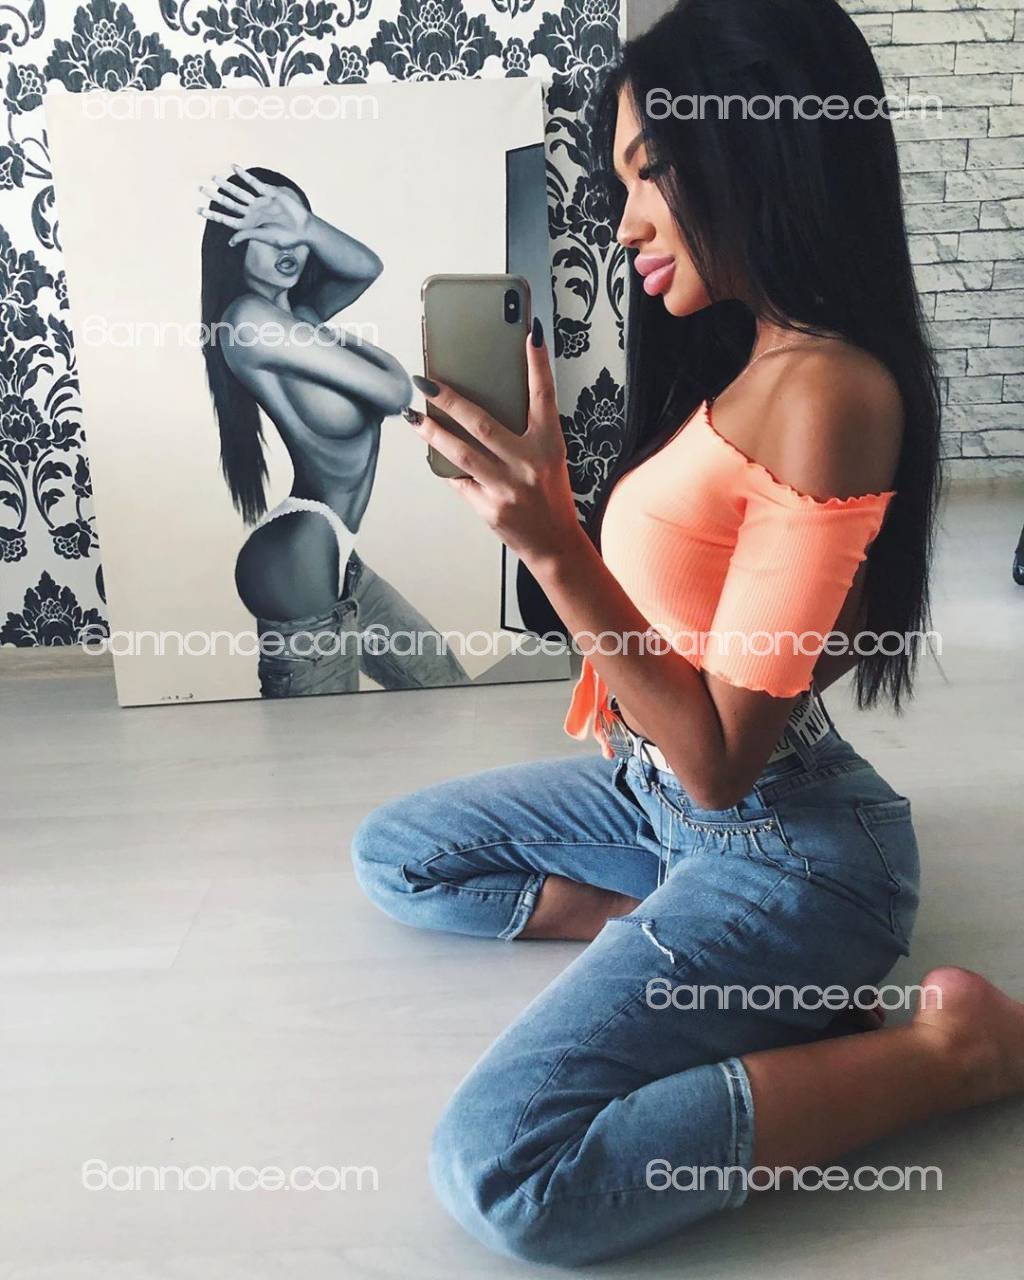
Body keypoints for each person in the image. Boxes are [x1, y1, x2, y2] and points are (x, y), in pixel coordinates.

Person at [351, 0, 1024, 1266]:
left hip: (784, 845)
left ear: (761, 145)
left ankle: (955, 1052)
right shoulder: (752, 361)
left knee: (509, 1172)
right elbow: (718, 662)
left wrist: (552, 540)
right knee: (398, 856)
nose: (626, 223)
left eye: (650, 173)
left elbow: (721, 760)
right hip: (653, 796)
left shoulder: (831, 389)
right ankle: (738, 972)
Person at [198, 164, 470, 696]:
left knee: (446, 691)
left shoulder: (297, 317)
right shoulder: (248, 320)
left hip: (338, 559)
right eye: (268, 230)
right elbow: (395, 392)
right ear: (233, 243)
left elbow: (366, 267)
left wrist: (306, 225)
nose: (289, 246)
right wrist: (374, 356)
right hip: (295, 564)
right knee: (322, 738)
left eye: (295, 231)